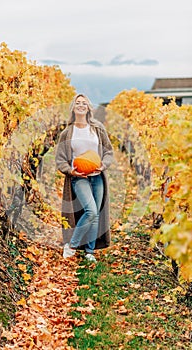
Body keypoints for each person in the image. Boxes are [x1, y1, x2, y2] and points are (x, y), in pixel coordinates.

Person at [55, 93, 113, 262]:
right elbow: (60, 159)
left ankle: (90, 251)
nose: (81, 105)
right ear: (73, 107)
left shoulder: (97, 128)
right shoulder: (67, 132)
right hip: (79, 177)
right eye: (78, 103)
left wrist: (103, 165)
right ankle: (72, 245)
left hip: (97, 176)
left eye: (84, 103)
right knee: (91, 210)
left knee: (96, 213)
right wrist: (70, 171)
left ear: (88, 107)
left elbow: (108, 151)